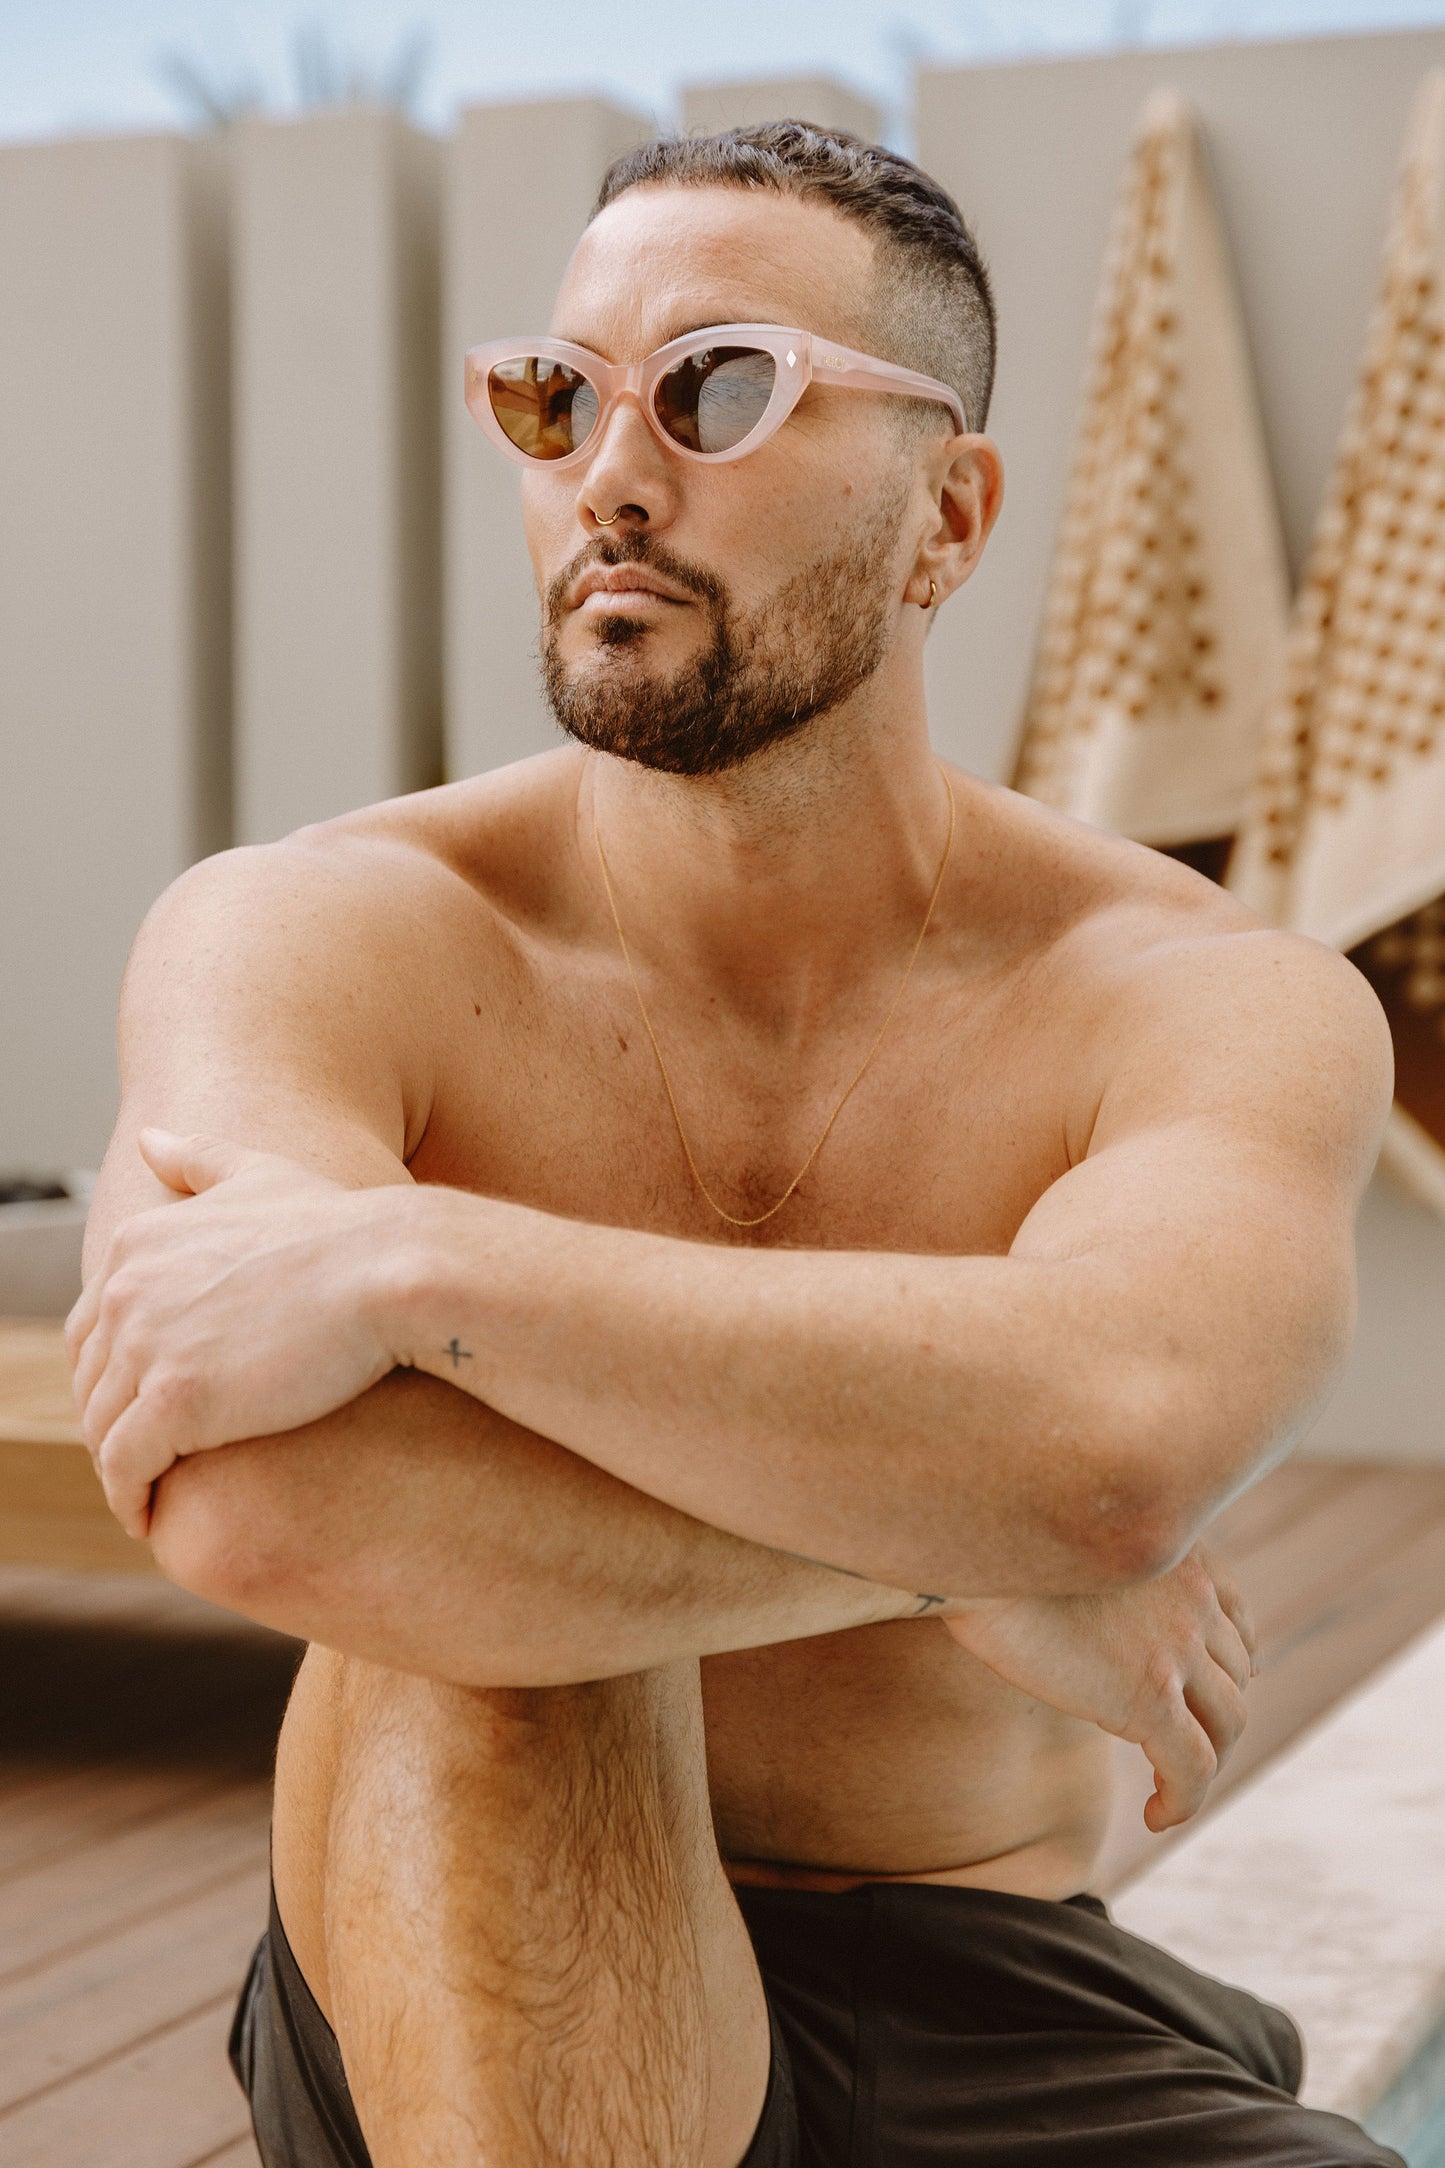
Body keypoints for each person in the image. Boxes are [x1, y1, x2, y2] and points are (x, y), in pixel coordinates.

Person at [69, 124, 1399, 2167]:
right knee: (493, 1648)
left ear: (948, 516)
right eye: (554, 394)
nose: (610, 471)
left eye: (720, 386)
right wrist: (966, 1545)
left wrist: (415, 1269)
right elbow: (250, 1489)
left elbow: (1123, 1435)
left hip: (1005, 1986)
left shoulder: (1201, 997)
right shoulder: (319, 929)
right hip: (468, 1922)